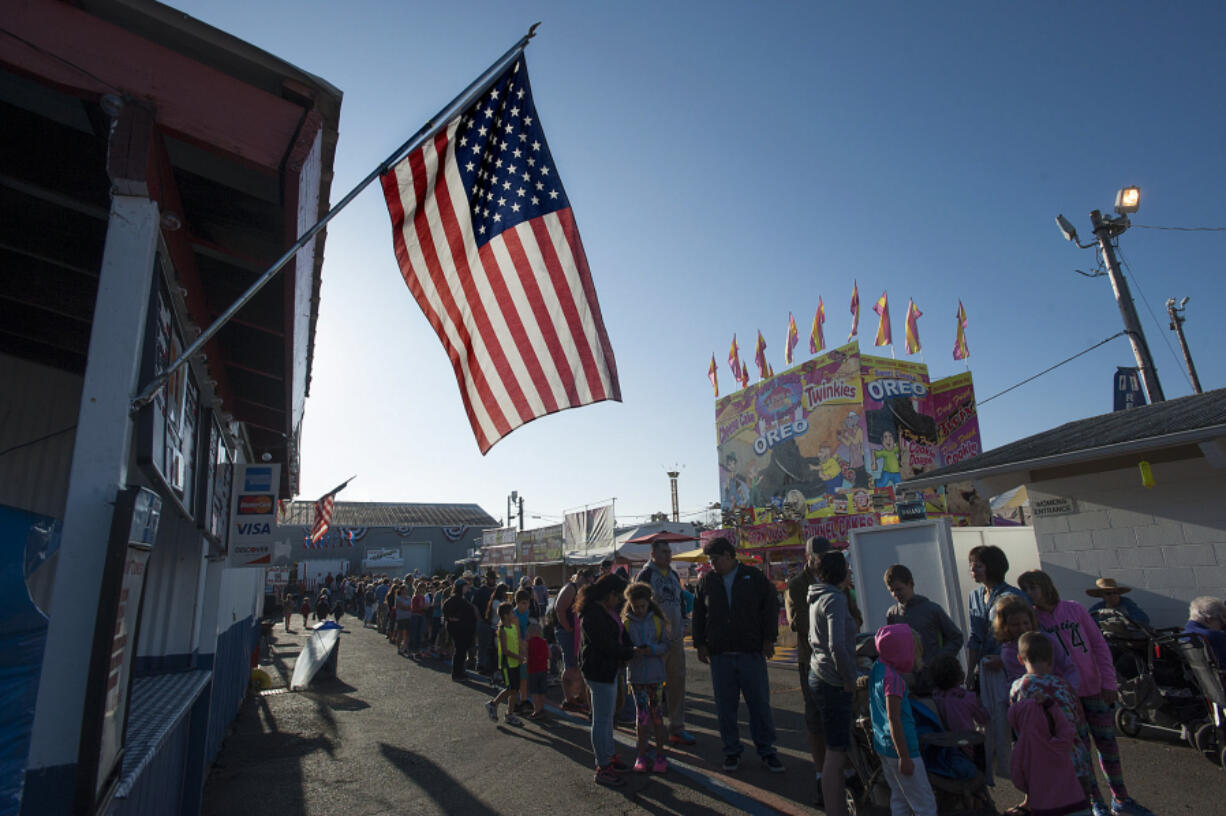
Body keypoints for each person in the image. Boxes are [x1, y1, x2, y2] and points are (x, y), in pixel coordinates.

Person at [1019, 569, 1154, 816]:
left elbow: (1099, 645)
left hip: (1095, 689)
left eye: (1033, 587)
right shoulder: (1034, 621)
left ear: (1045, 586)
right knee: (1081, 750)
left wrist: (1109, 683)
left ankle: (1121, 798)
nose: (1030, 593)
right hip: (1066, 697)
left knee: (1108, 745)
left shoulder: (1075, 609)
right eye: (1025, 589)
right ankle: (1095, 802)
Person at [692, 536, 784, 773]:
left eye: (714, 559)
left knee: (759, 705)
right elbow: (699, 615)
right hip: (720, 655)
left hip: (750, 653)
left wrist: (768, 639)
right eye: (709, 560)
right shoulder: (707, 582)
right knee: (725, 708)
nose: (711, 564)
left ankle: (767, 751)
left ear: (728, 556)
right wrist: (700, 643)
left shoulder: (753, 578)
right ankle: (731, 751)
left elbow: (770, 608)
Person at [787, 536, 861, 806]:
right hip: (819, 664)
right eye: (818, 555)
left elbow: (855, 615)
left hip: (824, 663)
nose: (821, 559)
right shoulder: (800, 586)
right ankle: (825, 780)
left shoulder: (834, 590)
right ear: (809, 557)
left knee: (844, 726)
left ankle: (847, 778)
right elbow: (810, 629)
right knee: (819, 726)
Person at [1009, 631, 1097, 816]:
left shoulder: (1018, 688)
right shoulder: (1064, 686)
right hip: (1073, 760)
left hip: (1042, 765)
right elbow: (1079, 722)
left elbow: (1018, 726)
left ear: (1020, 659)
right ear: (1051, 660)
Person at [965, 545, 1026, 779]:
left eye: (978, 565)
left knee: (1017, 727)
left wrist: (1004, 659)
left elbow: (1025, 634)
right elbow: (974, 637)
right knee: (991, 725)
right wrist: (970, 672)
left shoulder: (1012, 596)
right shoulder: (975, 596)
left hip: (1012, 673)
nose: (973, 569)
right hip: (985, 672)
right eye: (972, 564)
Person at [809, 549, 860, 816]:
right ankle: (835, 809)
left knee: (836, 745)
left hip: (818, 673)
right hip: (833, 680)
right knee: (836, 749)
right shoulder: (836, 599)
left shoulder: (817, 596)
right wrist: (849, 678)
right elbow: (837, 644)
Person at [870, 624, 938, 816]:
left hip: (884, 746)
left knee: (900, 798)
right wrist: (905, 757)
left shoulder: (878, 668)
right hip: (904, 748)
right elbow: (894, 718)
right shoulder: (894, 680)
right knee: (924, 803)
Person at [634, 539, 695, 745]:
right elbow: (636, 607)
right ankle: (650, 732)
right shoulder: (646, 575)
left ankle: (677, 727)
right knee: (653, 687)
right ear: (653, 554)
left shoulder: (674, 575)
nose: (667, 555)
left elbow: (681, 602)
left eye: (669, 551)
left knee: (677, 682)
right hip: (655, 641)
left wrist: (685, 623)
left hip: (676, 639)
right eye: (663, 552)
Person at [578, 574, 636, 787]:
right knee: (601, 720)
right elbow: (605, 644)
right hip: (599, 670)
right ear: (609, 594)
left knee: (607, 718)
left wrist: (628, 650)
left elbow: (619, 636)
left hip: (609, 669)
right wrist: (630, 652)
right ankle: (602, 766)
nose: (620, 601)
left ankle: (609, 757)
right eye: (618, 596)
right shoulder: (593, 613)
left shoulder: (606, 610)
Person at [883, 563, 963, 695]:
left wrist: (938, 660)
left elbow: (956, 637)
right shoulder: (893, 614)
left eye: (899, 589)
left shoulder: (931, 609)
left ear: (911, 584)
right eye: (891, 591)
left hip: (934, 680)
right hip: (908, 682)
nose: (896, 594)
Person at [623, 581, 671, 774]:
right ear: (630, 605)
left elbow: (666, 645)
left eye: (643, 606)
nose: (640, 610)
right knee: (642, 717)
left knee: (657, 716)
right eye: (636, 607)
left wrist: (651, 649)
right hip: (636, 678)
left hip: (656, 676)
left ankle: (660, 754)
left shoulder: (657, 621)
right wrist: (632, 652)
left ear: (649, 603)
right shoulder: (626, 623)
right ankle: (641, 755)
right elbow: (623, 648)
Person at [994, 595, 1079, 688]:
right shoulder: (1009, 652)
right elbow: (1024, 682)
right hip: (1032, 695)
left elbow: (1069, 668)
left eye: (1026, 623)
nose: (1022, 628)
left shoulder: (1047, 639)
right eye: (1015, 625)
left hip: (1060, 691)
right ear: (1004, 626)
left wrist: (1068, 689)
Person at [930, 656, 988, 758]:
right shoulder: (965, 698)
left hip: (946, 747)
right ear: (959, 675)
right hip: (968, 745)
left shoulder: (936, 698)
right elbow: (983, 718)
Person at [555, 568, 594, 713]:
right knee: (571, 665)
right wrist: (567, 627)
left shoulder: (581, 590)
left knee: (577, 665)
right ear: (581, 577)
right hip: (567, 632)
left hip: (576, 631)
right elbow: (559, 608)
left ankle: (578, 696)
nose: (588, 583)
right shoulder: (571, 588)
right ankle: (569, 698)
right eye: (587, 580)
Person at [484, 604, 525, 726]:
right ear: (506, 615)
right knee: (510, 688)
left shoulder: (512, 627)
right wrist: (519, 657)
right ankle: (493, 704)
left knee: (515, 690)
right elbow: (506, 650)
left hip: (515, 663)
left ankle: (509, 714)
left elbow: (517, 642)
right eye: (512, 613)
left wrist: (521, 651)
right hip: (507, 664)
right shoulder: (502, 630)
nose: (514, 614)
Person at [443, 579, 477, 681]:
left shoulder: (462, 598)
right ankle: (457, 673)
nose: (467, 588)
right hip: (459, 629)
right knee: (460, 651)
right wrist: (451, 618)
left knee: (462, 651)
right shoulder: (455, 599)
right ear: (460, 587)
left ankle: (460, 671)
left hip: (465, 629)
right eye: (465, 586)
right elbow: (446, 610)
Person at [1183, 596, 1226, 667]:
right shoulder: (1215, 636)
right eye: (1223, 618)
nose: (1224, 623)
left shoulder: (1185, 634)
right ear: (1209, 619)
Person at [524, 622, 550, 719]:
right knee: (542, 691)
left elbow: (526, 656)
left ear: (530, 633)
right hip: (543, 669)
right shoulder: (544, 642)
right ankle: (542, 708)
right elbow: (549, 655)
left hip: (532, 670)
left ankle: (537, 710)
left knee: (534, 691)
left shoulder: (528, 643)